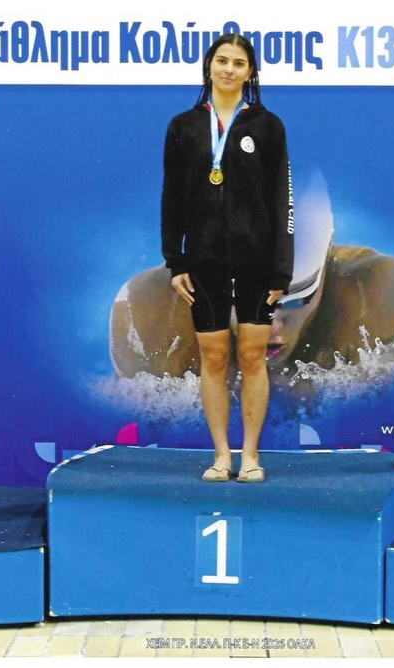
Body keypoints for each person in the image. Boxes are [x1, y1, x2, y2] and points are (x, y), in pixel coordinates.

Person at [110, 171, 394, 382]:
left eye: (296, 299)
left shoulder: (378, 298)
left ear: (326, 260)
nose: (269, 326)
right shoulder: (149, 315)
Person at [158, 33, 293, 483]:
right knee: (213, 357)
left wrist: (281, 269)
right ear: (209, 66)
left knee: (253, 356)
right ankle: (221, 455)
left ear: (250, 72)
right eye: (222, 61)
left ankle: (250, 455)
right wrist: (175, 261)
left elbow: (282, 201)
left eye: (238, 63)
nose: (229, 69)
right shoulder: (183, 126)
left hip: (257, 260)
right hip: (203, 259)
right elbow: (171, 198)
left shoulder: (268, 126)